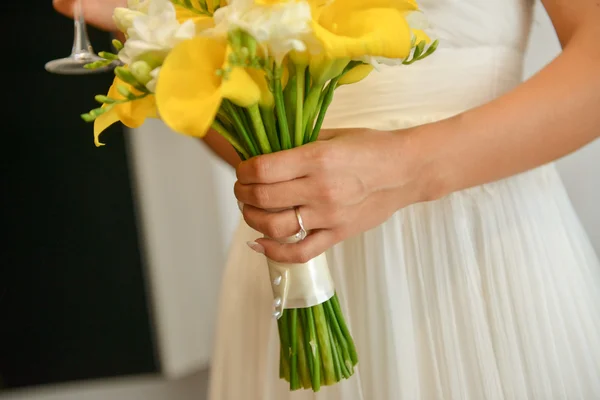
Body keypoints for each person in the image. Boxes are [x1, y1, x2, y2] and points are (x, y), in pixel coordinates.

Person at [56, 0, 600, 398]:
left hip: (480, 261)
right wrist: (157, 37)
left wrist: (407, 167)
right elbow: (232, 123)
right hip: (290, 259)